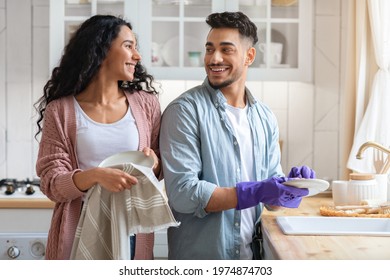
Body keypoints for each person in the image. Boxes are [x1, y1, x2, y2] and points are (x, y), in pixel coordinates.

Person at [159, 11, 315, 260]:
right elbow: (183, 194)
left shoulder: (264, 117)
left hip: (251, 256)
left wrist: (291, 187)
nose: (214, 58)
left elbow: (272, 200)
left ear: (249, 56)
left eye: (226, 49)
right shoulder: (185, 111)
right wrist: (254, 192)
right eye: (210, 49)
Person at [35, 15, 162, 260]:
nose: (137, 56)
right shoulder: (61, 110)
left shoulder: (147, 104)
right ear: (101, 49)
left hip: (131, 228)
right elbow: (51, 182)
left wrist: (154, 162)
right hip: (80, 223)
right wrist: (94, 176)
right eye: (128, 46)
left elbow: (158, 170)